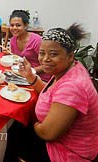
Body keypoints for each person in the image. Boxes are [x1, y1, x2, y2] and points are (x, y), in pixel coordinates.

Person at [6, 23, 98, 162]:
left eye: (53, 54)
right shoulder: (68, 69)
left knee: (9, 136)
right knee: (13, 126)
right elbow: (50, 92)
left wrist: (32, 121)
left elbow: (47, 133)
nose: (45, 59)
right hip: (57, 139)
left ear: (70, 56)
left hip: (66, 152)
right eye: (42, 53)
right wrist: (30, 77)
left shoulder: (73, 86)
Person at [5, 10, 51, 82]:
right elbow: (18, 59)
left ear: (26, 25)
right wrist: (10, 54)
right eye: (12, 25)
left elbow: (47, 64)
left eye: (18, 25)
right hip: (23, 77)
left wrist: (30, 71)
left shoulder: (36, 40)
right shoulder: (13, 40)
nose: (14, 28)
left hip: (40, 78)